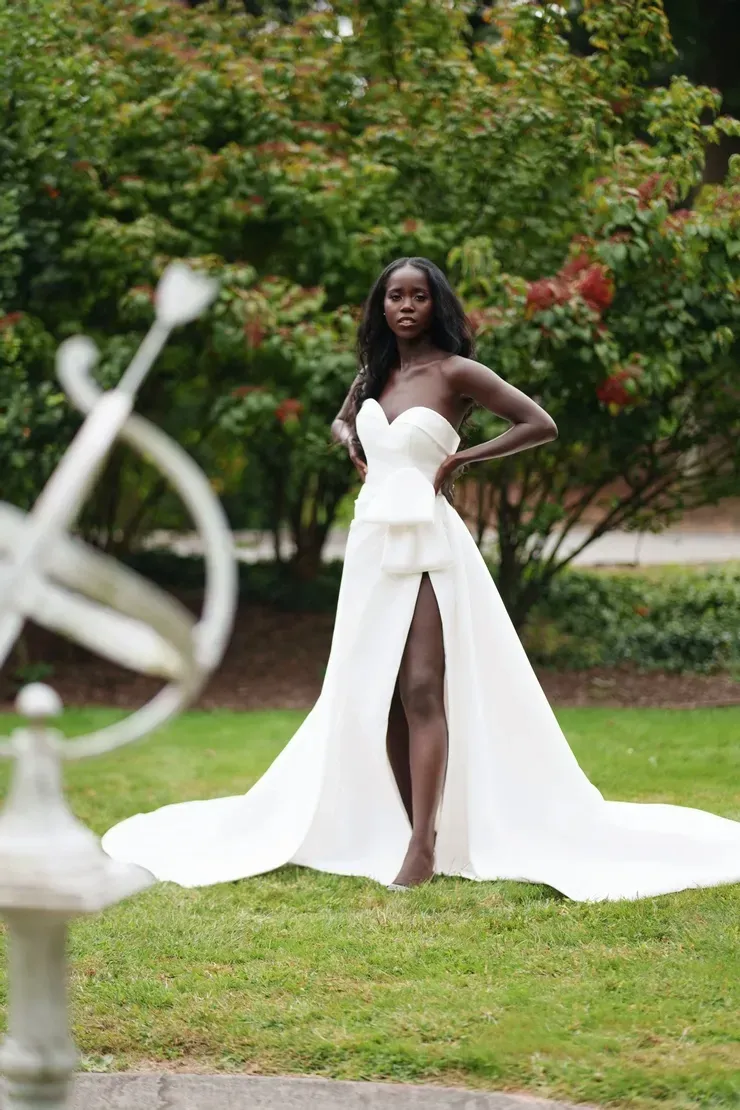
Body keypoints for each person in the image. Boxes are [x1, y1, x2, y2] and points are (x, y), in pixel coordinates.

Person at [102, 257, 740, 901]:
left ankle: (423, 845)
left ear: (437, 305)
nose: (405, 306)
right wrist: (351, 440)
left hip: (431, 544)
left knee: (423, 686)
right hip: (373, 543)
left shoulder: (455, 372)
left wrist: (463, 456)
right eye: (394, 297)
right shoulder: (373, 375)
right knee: (375, 689)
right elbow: (343, 417)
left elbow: (539, 424)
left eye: (418, 296)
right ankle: (407, 820)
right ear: (381, 308)